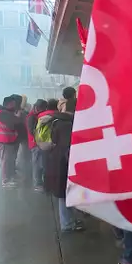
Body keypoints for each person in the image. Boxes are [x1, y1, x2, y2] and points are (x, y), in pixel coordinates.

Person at [45, 99, 84, 232]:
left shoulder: (56, 121)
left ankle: (69, 220)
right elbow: (68, 146)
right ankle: (66, 223)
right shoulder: (68, 124)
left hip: (56, 160)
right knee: (64, 193)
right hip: (64, 162)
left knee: (64, 192)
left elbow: (54, 140)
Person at [0, 97, 22, 187]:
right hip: (3, 140)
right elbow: (14, 123)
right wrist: (18, 116)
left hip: (4, 140)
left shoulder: (3, 113)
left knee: (7, 160)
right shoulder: (3, 114)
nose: (14, 106)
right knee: (5, 161)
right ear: (8, 104)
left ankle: (10, 177)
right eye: (13, 104)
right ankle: (5, 181)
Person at [27, 99, 48, 191]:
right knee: (37, 164)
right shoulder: (31, 117)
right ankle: (37, 184)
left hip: (39, 143)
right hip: (35, 144)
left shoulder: (36, 116)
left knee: (40, 164)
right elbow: (32, 131)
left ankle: (40, 183)